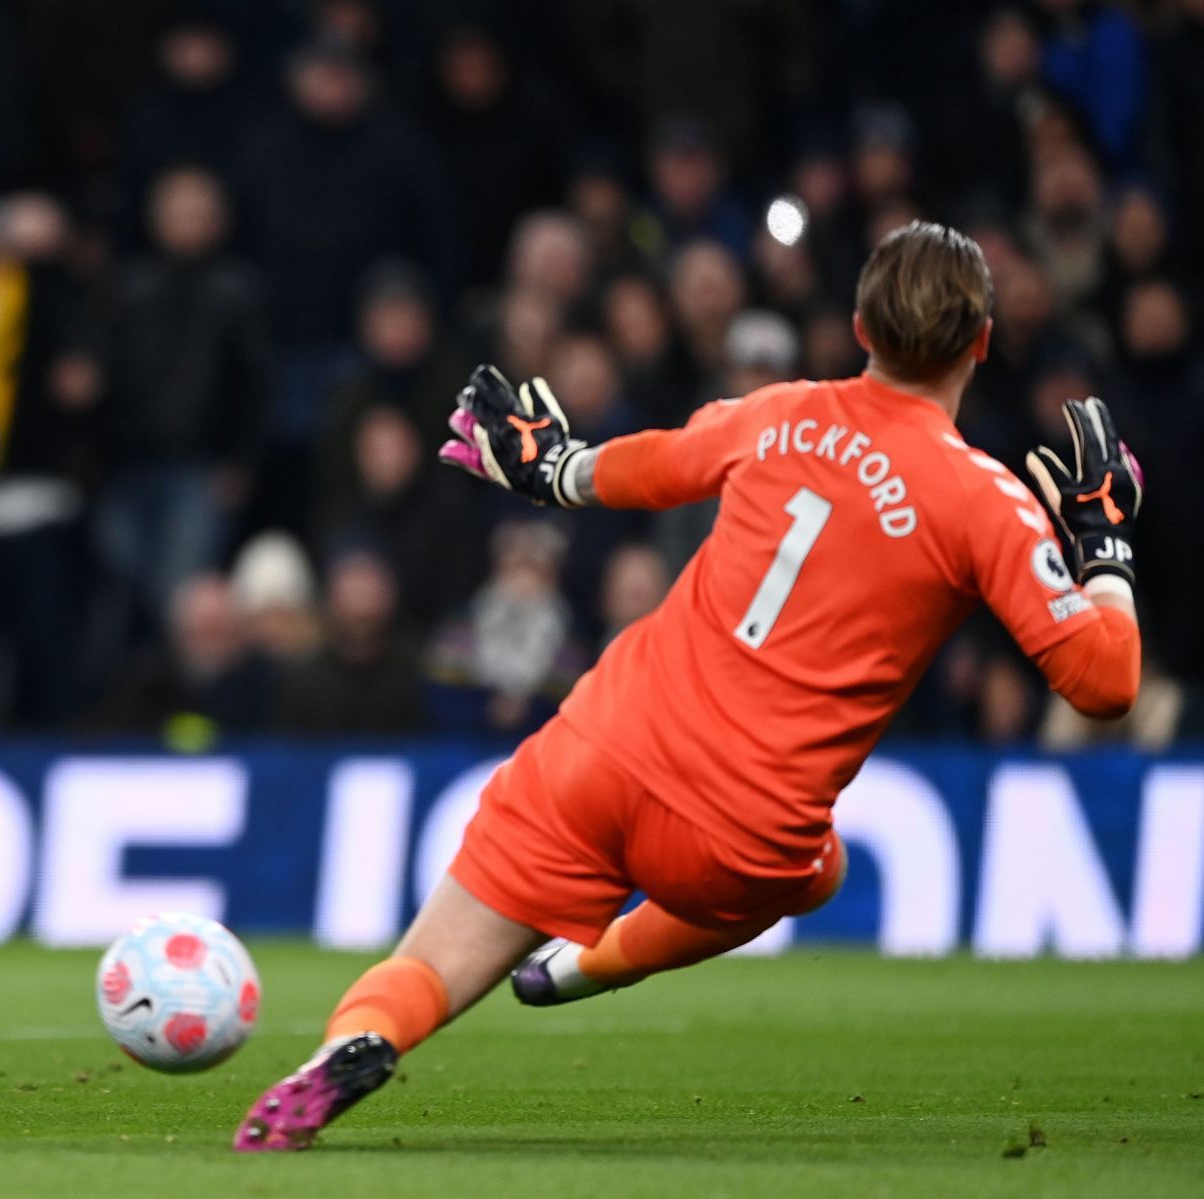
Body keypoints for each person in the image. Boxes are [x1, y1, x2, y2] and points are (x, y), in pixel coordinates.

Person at [234, 222, 1144, 1150]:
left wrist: (552, 469)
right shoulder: (986, 502)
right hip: (740, 833)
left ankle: (360, 1039)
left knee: (427, 961)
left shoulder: (776, 411)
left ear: (862, 327)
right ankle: (595, 965)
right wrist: (1105, 551)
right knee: (815, 868)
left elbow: (648, 466)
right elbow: (1106, 684)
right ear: (982, 340)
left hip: (604, 748)